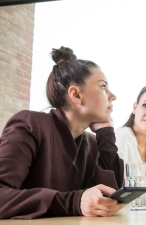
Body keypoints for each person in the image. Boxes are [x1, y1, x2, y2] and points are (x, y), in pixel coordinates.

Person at [0, 47, 125, 219]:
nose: (113, 96)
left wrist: (106, 138)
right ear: (76, 94)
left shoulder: (91, 144)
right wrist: (74, 202)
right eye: (103, 86)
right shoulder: (29, 124)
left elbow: (109, 199)